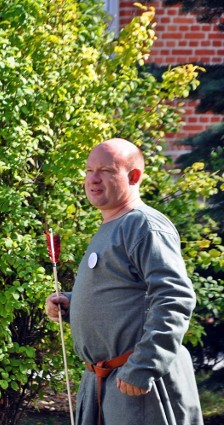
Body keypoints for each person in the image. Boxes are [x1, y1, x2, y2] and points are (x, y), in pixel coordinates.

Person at [45, 138, 203, 425]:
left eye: (105, 170)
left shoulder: (144, 225)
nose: (93, 179)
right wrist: (71, 303)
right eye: (89, 170)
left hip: (137, 386)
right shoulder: (112, 225)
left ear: (134, 176)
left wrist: (144, 365)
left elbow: (174, 298)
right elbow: (121, 293)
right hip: (106, 383)